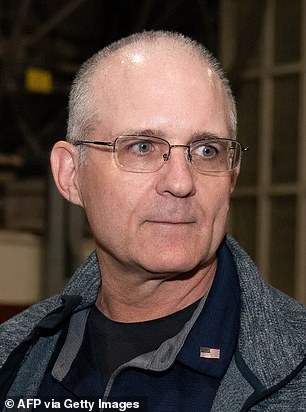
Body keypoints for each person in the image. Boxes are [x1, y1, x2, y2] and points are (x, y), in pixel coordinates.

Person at [0, 31, 305, 412]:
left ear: (231, 176)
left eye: (207, 150)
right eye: (142, 147)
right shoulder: (12, 361)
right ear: (70, 174)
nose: (180, 182)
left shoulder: (296, 376)